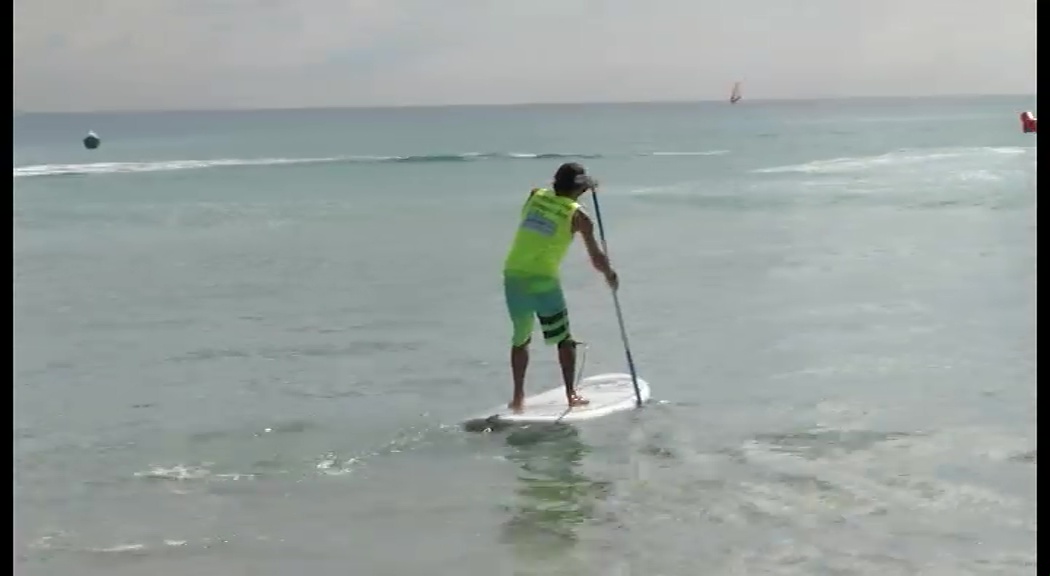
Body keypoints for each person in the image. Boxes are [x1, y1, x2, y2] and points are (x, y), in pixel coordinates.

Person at [501, 162, 619, 413]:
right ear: (581, 189)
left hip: (513, 275)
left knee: (521, 338)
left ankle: (518, 398)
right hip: (543, 280)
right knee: (564, 339)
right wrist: (610, 275)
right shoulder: (579, 217)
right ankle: (570, 394)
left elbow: (549, 197)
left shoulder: (535, 195)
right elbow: (596, 257)